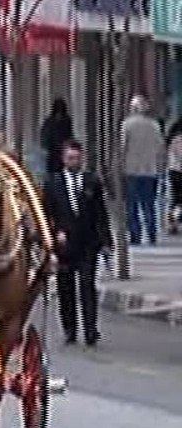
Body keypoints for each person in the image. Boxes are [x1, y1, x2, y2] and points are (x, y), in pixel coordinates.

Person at [43, 140, 112, 347]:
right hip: (64, 245)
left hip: (88, 242)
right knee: (66, 289)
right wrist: (55, 234)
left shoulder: (92, 181)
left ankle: (91, 330)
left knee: (87, 285)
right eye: (70, 158)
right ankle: (70, 329)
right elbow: (46, 214)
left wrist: (106, 241)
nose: (74, 162)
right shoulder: (52, 183)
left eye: (77, 158)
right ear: (63, 160)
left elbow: (101, 214)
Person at [120, 95, 165, 245]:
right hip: (150, 170)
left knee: (132, 205)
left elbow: (123, 147)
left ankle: (135, 235)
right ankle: (151, 234)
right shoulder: (154, 125)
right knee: (149, 204)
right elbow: (160, 148)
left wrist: (120, 165)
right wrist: (160, 166)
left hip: (131, 169)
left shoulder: (127, 125)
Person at [40, 98, 74, 177]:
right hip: (53, 149)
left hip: (62, 149)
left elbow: (69, 134)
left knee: (61, 169)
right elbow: (45, 134)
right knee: (53, 169)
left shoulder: (66, 120)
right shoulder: (50, 120)